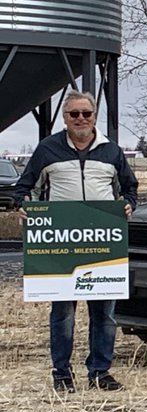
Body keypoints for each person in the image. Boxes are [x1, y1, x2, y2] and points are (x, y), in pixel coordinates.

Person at [13, 90, 138, 393]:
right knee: (63, 314)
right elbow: (25, 187)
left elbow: (129, 186)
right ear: (65, 118)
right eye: (74, 114)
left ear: (95, 116)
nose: (81, 119)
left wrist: (128, 204)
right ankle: (62, 374)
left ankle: (100, 372)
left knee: (104, 313)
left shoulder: (111, 151)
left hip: (103, 245)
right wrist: (23, 206)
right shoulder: (47, 150)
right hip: (61, 246)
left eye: (87, 113)